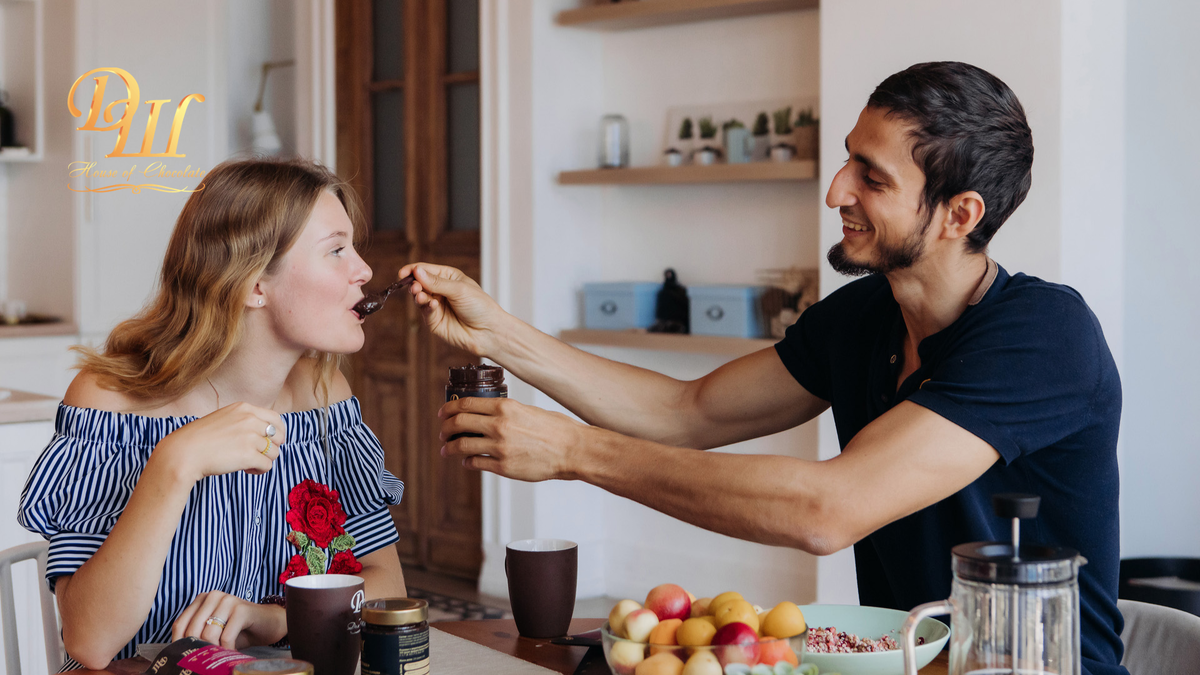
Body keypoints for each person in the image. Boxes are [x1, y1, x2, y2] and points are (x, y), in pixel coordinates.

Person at [398, 62, 1126, 675]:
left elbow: (827, 509)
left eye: (871, 178)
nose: (836, 189)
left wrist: (572, 452)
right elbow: (689, 412)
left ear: (959, 215)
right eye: (848, 159)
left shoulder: (1045, 336)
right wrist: (498, 331)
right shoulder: (862, 316)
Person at [17, 159, 407, 671]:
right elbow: (91, 641)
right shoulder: (109, 403)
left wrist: (274, 618)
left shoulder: (325, 397)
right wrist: (176, 463)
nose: (364, 270)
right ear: (253, 285)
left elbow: (386, 584)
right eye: (335, 250)